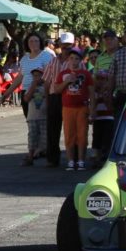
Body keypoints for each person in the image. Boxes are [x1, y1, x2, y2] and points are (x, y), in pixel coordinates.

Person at [42, 32, 77, 167]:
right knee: (52, 129)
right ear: (60, 45)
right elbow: (46, 81)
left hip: (71, 96)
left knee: (72, 129)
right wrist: (47, 99)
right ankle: (52, 158)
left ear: (73, 45)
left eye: (69, 45)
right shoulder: (53, 61)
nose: (66, 48)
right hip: (54, 97)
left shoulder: (76, 62)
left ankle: (73, 158)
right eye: (64, 45)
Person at [55, 47, 93, 171]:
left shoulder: (86, 74)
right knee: (69, 135)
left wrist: (92, 111)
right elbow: (56, 90)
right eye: (71, 58)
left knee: (82, 135)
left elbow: (92, 93)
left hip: (82, 107)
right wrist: (66, 82)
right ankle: (71, 161)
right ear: (68, 59)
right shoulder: (63, 74)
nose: (74, 61)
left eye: (76, 58)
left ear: (81, 60)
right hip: (67, 108)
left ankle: (81, 160)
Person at [1, 31, 51, 120]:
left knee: (40, 123)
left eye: (36, 41)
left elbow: (49, 76)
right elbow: (19, 77)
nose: (34, 43)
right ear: (27, 44)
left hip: (39, 92)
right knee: (29, 121)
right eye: (31, 41)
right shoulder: (24, 58)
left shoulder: (46, 56)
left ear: (40, 42)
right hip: (25, 93)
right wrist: (6, 94)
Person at [23, 68, 48, 166]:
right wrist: (33, 86)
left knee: (44, 138)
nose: (36, 78)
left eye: (39, 75)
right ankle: (30, 156)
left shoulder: (46, 86)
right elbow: (26, 98)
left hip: (44, 116)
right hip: (32, 117)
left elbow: (49, 98)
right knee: (32, 137)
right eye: (34, 76)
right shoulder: (30, 86)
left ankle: (43, 154)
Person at [90, 69, 115, 165]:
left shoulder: (110, 92)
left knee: (107, 138)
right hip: (98, 119)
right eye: (98, 79)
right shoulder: (93, 93)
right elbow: (92, 105)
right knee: (97, 138)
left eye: (103, 79)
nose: (100, 81)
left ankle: (107, 157)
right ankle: (97, 157)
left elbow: (111, 108)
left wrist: (106, 99)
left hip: (108, 118)